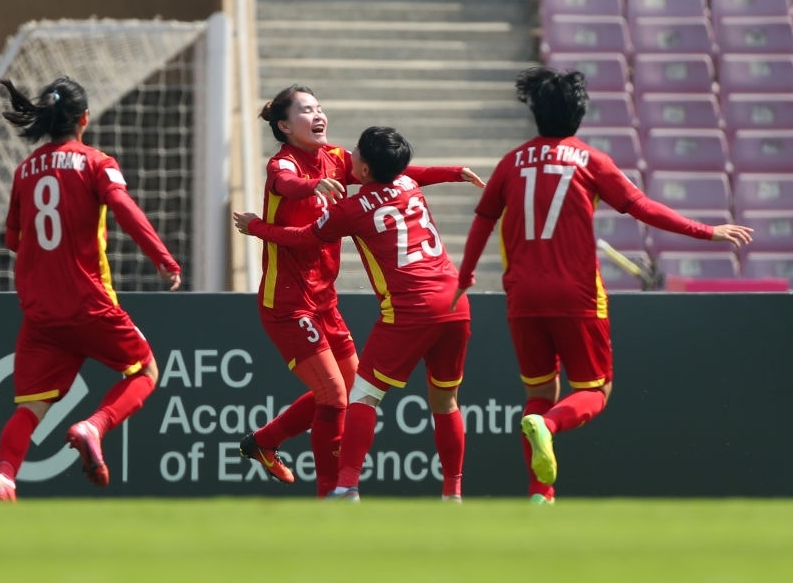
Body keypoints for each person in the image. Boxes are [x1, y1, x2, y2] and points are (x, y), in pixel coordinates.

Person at [452, 66, 754, 504]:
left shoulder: (511, 162)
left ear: (536, 113)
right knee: (595, 390)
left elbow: (483, 219)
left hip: (522, 296)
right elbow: (642, 207)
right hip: (576, 294)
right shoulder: (590, 160)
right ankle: (549, 426)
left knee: (539, 392)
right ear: (579, 114)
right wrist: (707, 231)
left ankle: (541, 493)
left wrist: (466, 274)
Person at [240, 86, 485, 497]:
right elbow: (285, 184)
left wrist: (453, 172)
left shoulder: (337, 158)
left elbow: (400, 172)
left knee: (348, 391)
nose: (319, 114)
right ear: (284, 125)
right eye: (306, 110)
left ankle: (264, 442)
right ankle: (331, 495)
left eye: (319, 106)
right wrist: (310, 189)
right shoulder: (282, 163)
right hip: (287, 302)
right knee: (336, 396)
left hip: (324, 299)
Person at [0, 76, 182, 501]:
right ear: (85, 119)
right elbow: (123, 207)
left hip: (41, 312)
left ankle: (4, 479)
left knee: (30, 408)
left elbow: (13, 240)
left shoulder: (25, 171)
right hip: (88, 302)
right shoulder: (96, 162)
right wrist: (162, 257)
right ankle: (93, 427)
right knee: (145, 371)